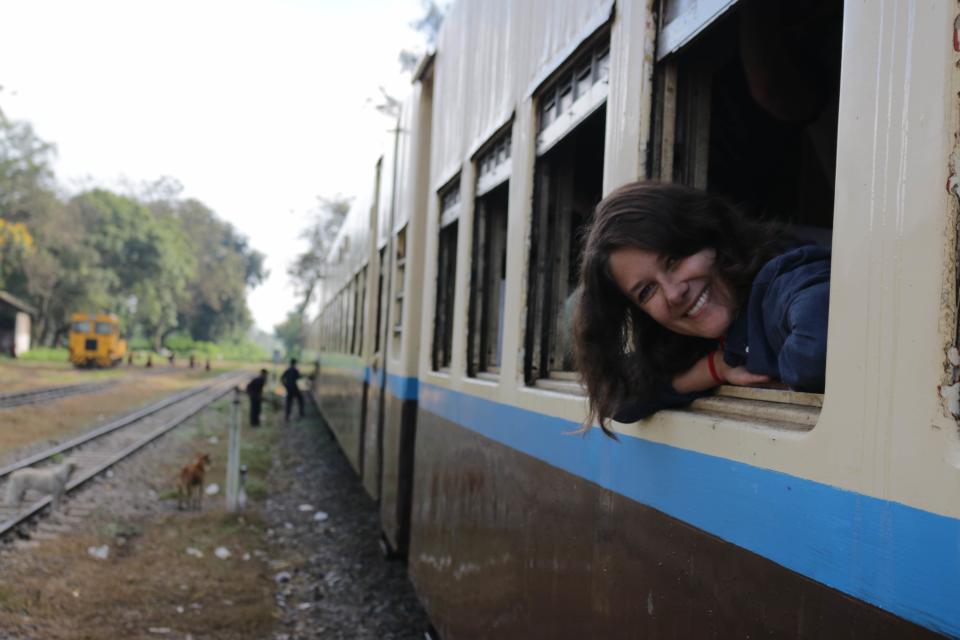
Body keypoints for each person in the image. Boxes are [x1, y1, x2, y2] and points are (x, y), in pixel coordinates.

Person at [574, 181, 830, 436]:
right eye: (647, 291)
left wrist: (764, 365)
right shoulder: (700, 337)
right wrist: (717, 368)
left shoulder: (782, 281)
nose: (674, 293)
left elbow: (817, 341)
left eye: (673, 260)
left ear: (710, 234)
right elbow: (616, 396)